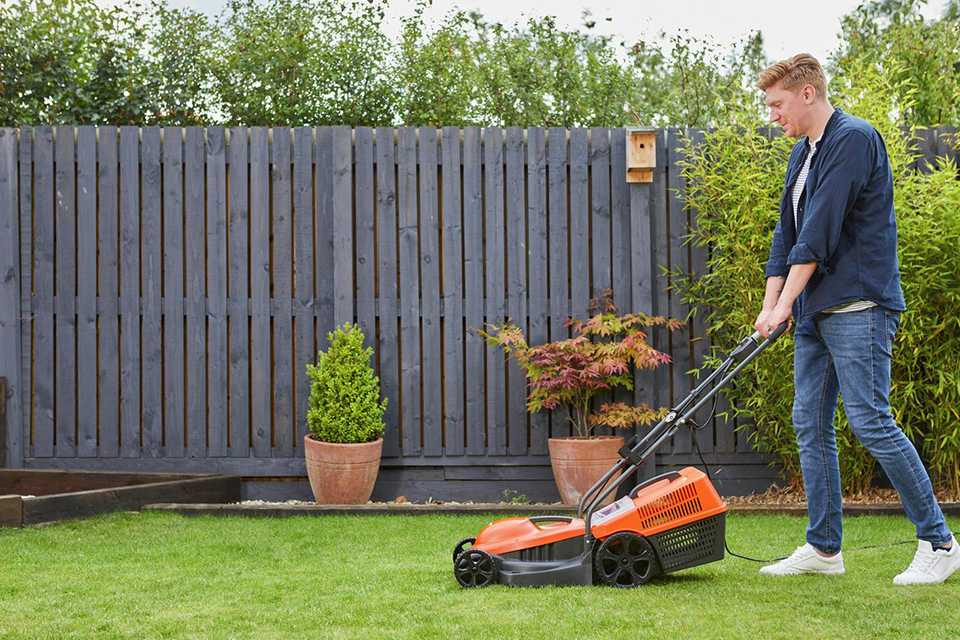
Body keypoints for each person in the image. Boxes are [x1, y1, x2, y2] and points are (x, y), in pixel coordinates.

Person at [753, 53, 958, 584]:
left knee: (870, 420)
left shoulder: (853, 139)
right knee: (809, 423)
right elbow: (787, 236)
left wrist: (781, 306)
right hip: (814, 309)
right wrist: (771, 303)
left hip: (860, 305)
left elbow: (817, 235)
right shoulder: (803, 154)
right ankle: (824, 550)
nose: (772, 115)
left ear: (806, 93)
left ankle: (939, 541)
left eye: (776, 105)